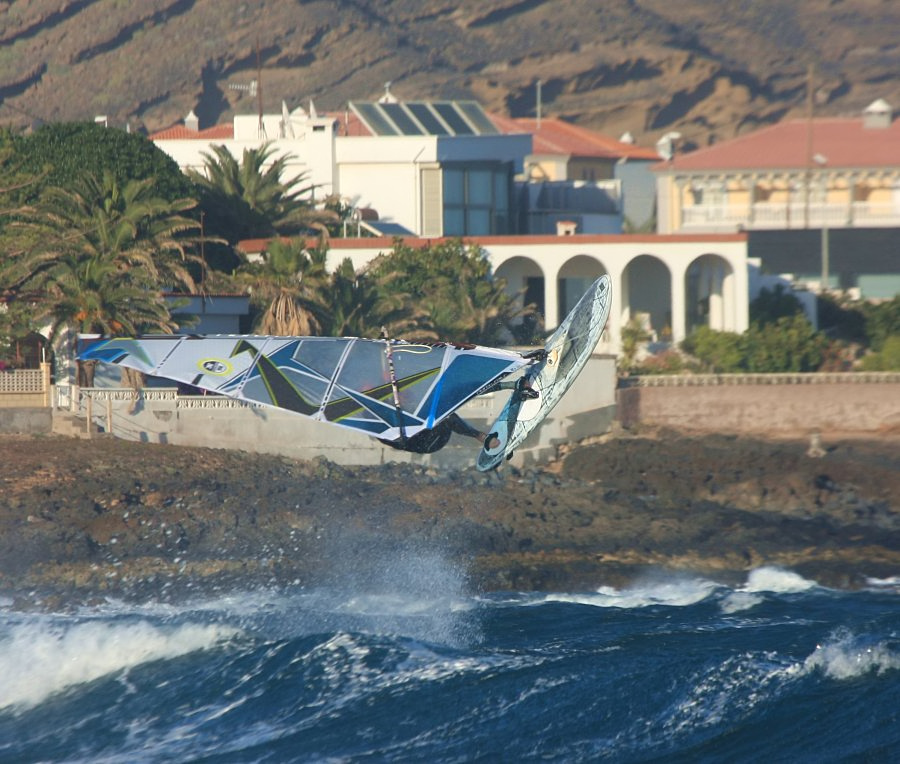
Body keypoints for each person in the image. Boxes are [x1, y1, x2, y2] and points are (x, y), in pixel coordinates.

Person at [380, 376, 539, 454]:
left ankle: (512, 384)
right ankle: (481, 437)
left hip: (428, 426)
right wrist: (400, 422)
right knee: (445, 416)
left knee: (452, 392)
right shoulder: (380, 421)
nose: (405, 394)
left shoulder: (407, 399)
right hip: (427, 442)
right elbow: (399, 443)